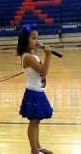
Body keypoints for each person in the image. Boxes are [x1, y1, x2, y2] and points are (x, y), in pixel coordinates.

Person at [17, 24, 53, 154]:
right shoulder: (29, 57)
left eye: (37, 38)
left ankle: (38, 147)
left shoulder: (32, 56)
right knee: (33, 122)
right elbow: (43, 72)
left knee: (36, 121)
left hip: (38, 91)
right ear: (25, 40)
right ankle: (34, 150)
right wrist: (48, 55)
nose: (36, 41)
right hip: (33, 93)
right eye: (33, 38)